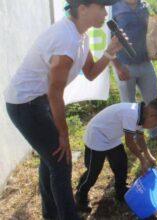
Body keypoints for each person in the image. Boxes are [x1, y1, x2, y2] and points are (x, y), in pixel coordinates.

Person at [4, 0, 123, 219]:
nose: (106, 13)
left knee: (50, 159)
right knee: (61, 161)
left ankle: (51, 214)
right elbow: (55, 91)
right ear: (83, 9)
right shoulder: (66, 39)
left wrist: (110, 52)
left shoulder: (81, 35)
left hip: (39, 100)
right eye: (101, 7)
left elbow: (89, 73)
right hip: (25, 104)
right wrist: (63, 133)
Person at [75, 98, 157, 212]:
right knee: (93, 171)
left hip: (111, 137)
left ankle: (121, 191)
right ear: (152, 116)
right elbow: (130, 142)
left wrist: (148, 155)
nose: (154, 127)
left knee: (121, 164)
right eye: (156, 124)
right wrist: (142, 160)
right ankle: (81, 195)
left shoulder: (142, 114)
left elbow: (140, 138)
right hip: (97, 136)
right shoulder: (131, 114)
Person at [111, 0, 157, 145]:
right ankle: (132, 138)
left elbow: (149, 31)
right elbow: (108, 42)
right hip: (124, 64)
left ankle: (155, 133)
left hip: (145, 62)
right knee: (128, 104)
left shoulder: (144, 6)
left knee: (153, 100)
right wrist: (118, 67)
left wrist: (154, 46)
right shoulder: (114, 8)